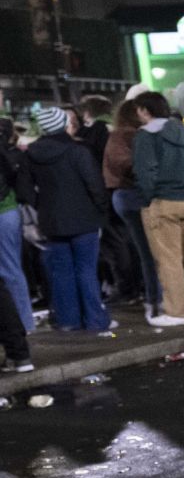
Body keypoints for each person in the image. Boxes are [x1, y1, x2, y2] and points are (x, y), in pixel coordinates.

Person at [130, 90, 184, 325]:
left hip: (163, 201)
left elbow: (145, 171)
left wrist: (149, 198)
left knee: (169, 259)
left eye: (138, 109)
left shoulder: (146, 137)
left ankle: (176, 312)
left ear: (145, 111)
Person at [26, 105, 113, 333]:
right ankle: (95, 319)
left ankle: (68, 320)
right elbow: (95, 185)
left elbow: (25, 189)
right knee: (86, 269)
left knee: (62, 272)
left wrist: (41, 204)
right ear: (65, 125)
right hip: (84, 218)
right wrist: (101, 210)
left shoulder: (33, 154)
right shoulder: (77, 151)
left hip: (52, 220)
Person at [0, 116, 40, 340]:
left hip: (4, 211)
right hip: (8, 211)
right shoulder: (13, 154)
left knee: (10, 270)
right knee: (12, 269)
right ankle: (24, 323)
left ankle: (21, 324)